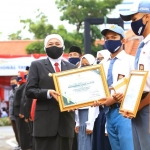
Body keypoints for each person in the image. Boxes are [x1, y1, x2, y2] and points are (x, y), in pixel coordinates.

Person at [25, 34, 76, 150]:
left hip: (66, 123)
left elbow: (76, 91)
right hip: (44, 124)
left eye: (57, 44)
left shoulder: (72, 67)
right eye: (50, 44)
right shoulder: (37, 65)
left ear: (63, 47)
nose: (54, 47)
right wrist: (48, 93)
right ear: (45, 47)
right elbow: (29, 90)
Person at [95, 24, 134, 150]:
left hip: (125, 112)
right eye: (107, 38)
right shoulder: (102, 64)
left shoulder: (131, 61)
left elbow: (136, 86)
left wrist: (116, 98)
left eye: (113, 37)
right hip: (108, 113)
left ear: (123, 40)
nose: (109, 40)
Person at [120, 1, 150, 149]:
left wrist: (137, 107)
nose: (133, 24)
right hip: (138, 107)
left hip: (146, 107)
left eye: (134, 19)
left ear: (147, 17)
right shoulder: (143, 45)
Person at [75, 54, 99, 150]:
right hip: (80, 115)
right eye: (83, 64)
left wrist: (90, 124)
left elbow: (95, 103)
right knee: (81, 141)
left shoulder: (96, 79)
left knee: (89, 142)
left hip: (91, 115)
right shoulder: (78, 79)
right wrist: (77, 122)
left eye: (87, 64)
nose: (84, 67)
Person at [92, 50, 112, 150]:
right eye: (98, 59)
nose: (100, 61)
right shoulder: (97, 74)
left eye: (102, 58)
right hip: (99, 116)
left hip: (112, 112)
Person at [14, 71, 32, 150]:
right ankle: (23, 146)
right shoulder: (20, 86)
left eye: (19, 76)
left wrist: (22, 111)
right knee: (20, 132)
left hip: (21, 113)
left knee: (24, 132)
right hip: (17, 113)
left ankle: (26, 146)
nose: (18, 77)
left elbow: (24, 100)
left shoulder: (24, 86)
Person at [9, 76, 20, 150]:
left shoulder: (18, 89)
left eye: (13, 83)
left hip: (18, 114)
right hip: (12, 114)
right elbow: (10, 104)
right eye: (11, 83)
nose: (12, 84)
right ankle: (19, 144)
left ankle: (22, 144)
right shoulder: (11, 91)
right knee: (15, 130)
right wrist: (10, 114)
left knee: (19, 130)